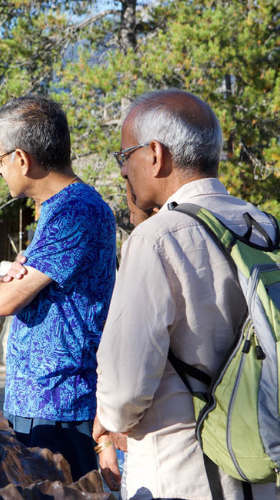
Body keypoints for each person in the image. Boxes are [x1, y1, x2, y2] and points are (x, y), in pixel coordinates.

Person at [94, 89, 276, 499]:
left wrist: (107, 419)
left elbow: (124, 391)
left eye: (125, 157)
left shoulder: (157, 240)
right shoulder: (264, 226)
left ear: (155, 154)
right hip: (261, 467)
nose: (123, 171)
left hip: (183, 473)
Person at [0, 96, 117, 482]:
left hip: (60, 403)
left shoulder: (75, 211)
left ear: (22, 159)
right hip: (43, 399)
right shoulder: (59, 208)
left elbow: (3, 301)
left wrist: (2, 281)